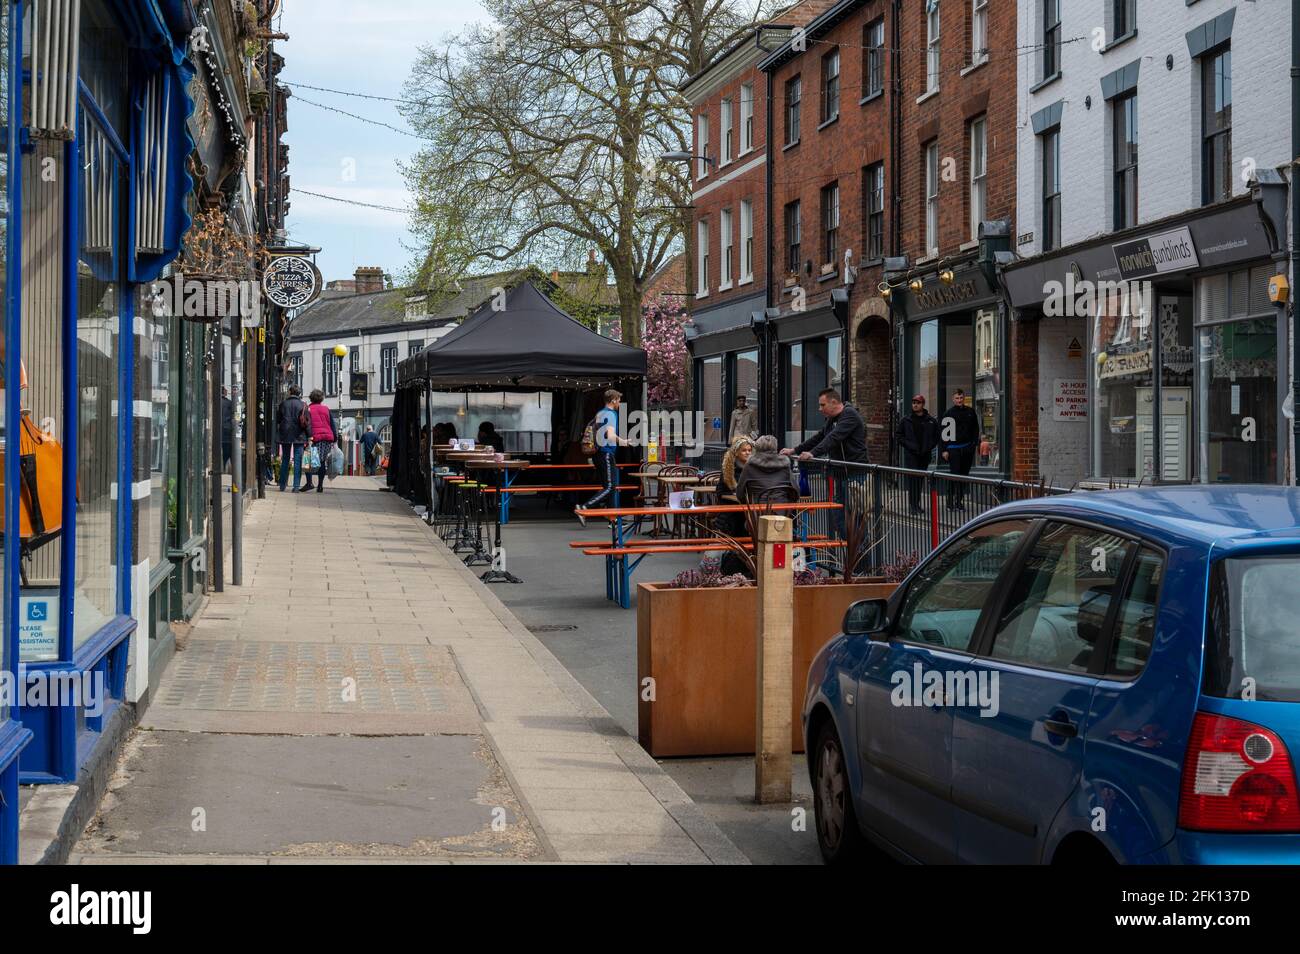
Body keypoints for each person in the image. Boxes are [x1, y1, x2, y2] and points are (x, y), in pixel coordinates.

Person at [780, 387, 868, 540]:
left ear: (834, 402)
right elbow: (820, 437)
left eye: (822, 405)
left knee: (856, 520)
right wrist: (794, 450)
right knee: (839, 518)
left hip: (855, 475)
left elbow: (833, 438)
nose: (820, 409)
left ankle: (861, 559)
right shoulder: (832, 419)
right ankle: (851, 555)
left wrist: (813, 453)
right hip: (841, 474)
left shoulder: (849, 415)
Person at [575, 388, 628, 526]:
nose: (619, 402)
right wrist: (624, 442)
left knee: (609, 486)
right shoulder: (611, 414)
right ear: (613, 400)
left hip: (597, 454)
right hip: (606, 453)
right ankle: (584, 507)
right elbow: (610, 435)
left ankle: (614, 520)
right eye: (618, 400)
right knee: (610, 487)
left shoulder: (599, 413)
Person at [895, 393, 939, 514]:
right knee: (913, 480)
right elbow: (899, 436)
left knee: (919, 481)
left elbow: (936, 436)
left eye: (918, 403)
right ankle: (912, 505)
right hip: (911, 455)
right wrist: (909, 445)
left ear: (923, 405)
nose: (915, 405)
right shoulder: (906, 420)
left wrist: (929, 446)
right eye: (914, 402)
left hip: (924, 455)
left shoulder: (931, 420)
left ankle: (917, 505)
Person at [939, 387, 980, 511]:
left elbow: (975, 429)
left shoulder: (971, 412)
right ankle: (950, 502)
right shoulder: (948, 414)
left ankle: (959, 501)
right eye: (957, 398)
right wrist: (944, 450)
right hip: (953, 449)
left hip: (967, 448)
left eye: (961, 398)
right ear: (953, 399)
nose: (959, 400)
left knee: (964, 476)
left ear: (964, 398)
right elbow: (943, 434)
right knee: (954, 475)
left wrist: (973, 445)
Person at [304, 389, 342, 494]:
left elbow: (307, 424)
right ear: (321, 399)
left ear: (311, 398)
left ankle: (309, 483)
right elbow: (332, 424)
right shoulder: (326, 409)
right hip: (327, 439)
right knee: (321, 462)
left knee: (308, 460)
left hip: (314, 439)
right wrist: (334, 438)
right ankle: (320, 485)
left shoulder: (309, 409)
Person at [717, 436, 754, 536]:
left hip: (749, 506)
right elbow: (720, 491)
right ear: (737, 452)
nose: (747, 453)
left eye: (749, 450)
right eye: (744, 450)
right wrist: (732, 494)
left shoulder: (753, 467)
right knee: (740, 518)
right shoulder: (729, 468)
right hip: (731, 509)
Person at [275, 384, 309, 492]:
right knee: (298, 460)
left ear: (290, 392)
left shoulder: (283, 404)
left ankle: (282, 485)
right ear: (299, 393)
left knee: (285, 459)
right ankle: (296, 486)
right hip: (299, 435)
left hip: (285, 434)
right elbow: (307, 422)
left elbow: (278, 419)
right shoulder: (303, 405)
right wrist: (310, 436)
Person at [220, 386, 233, 473]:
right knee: (227, 451)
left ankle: (222, 467)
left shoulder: (215, 402)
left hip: (219, 430)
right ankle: (225, 467)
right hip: (227, 430)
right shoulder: (229, 403)